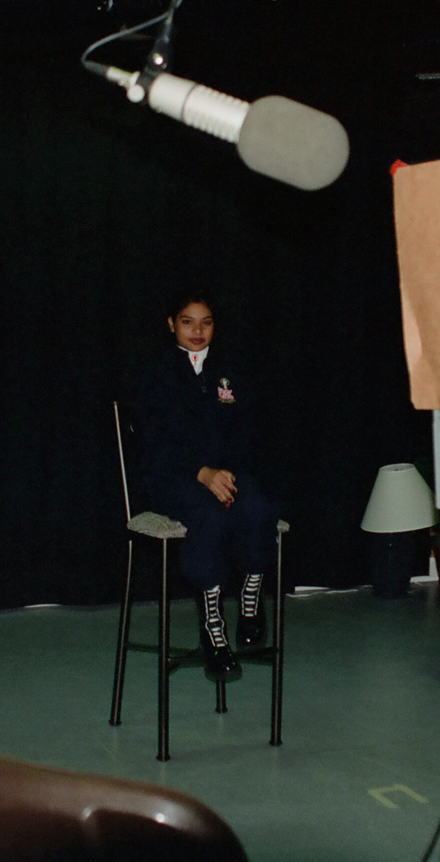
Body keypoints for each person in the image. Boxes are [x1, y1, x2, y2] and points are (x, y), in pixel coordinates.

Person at [133, 292, 278, 683]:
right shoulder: (155, 374)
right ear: (171, 324)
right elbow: (155, 442)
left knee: (258, 506)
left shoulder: (229, 372)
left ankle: (251, 595)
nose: (197, 330)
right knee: (209, 516)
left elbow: (248, 433)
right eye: (187, 321)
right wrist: (201, 473)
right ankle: (213, 627)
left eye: (206, 322)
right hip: (175, 479)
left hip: (226, 475)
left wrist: (228, 473)